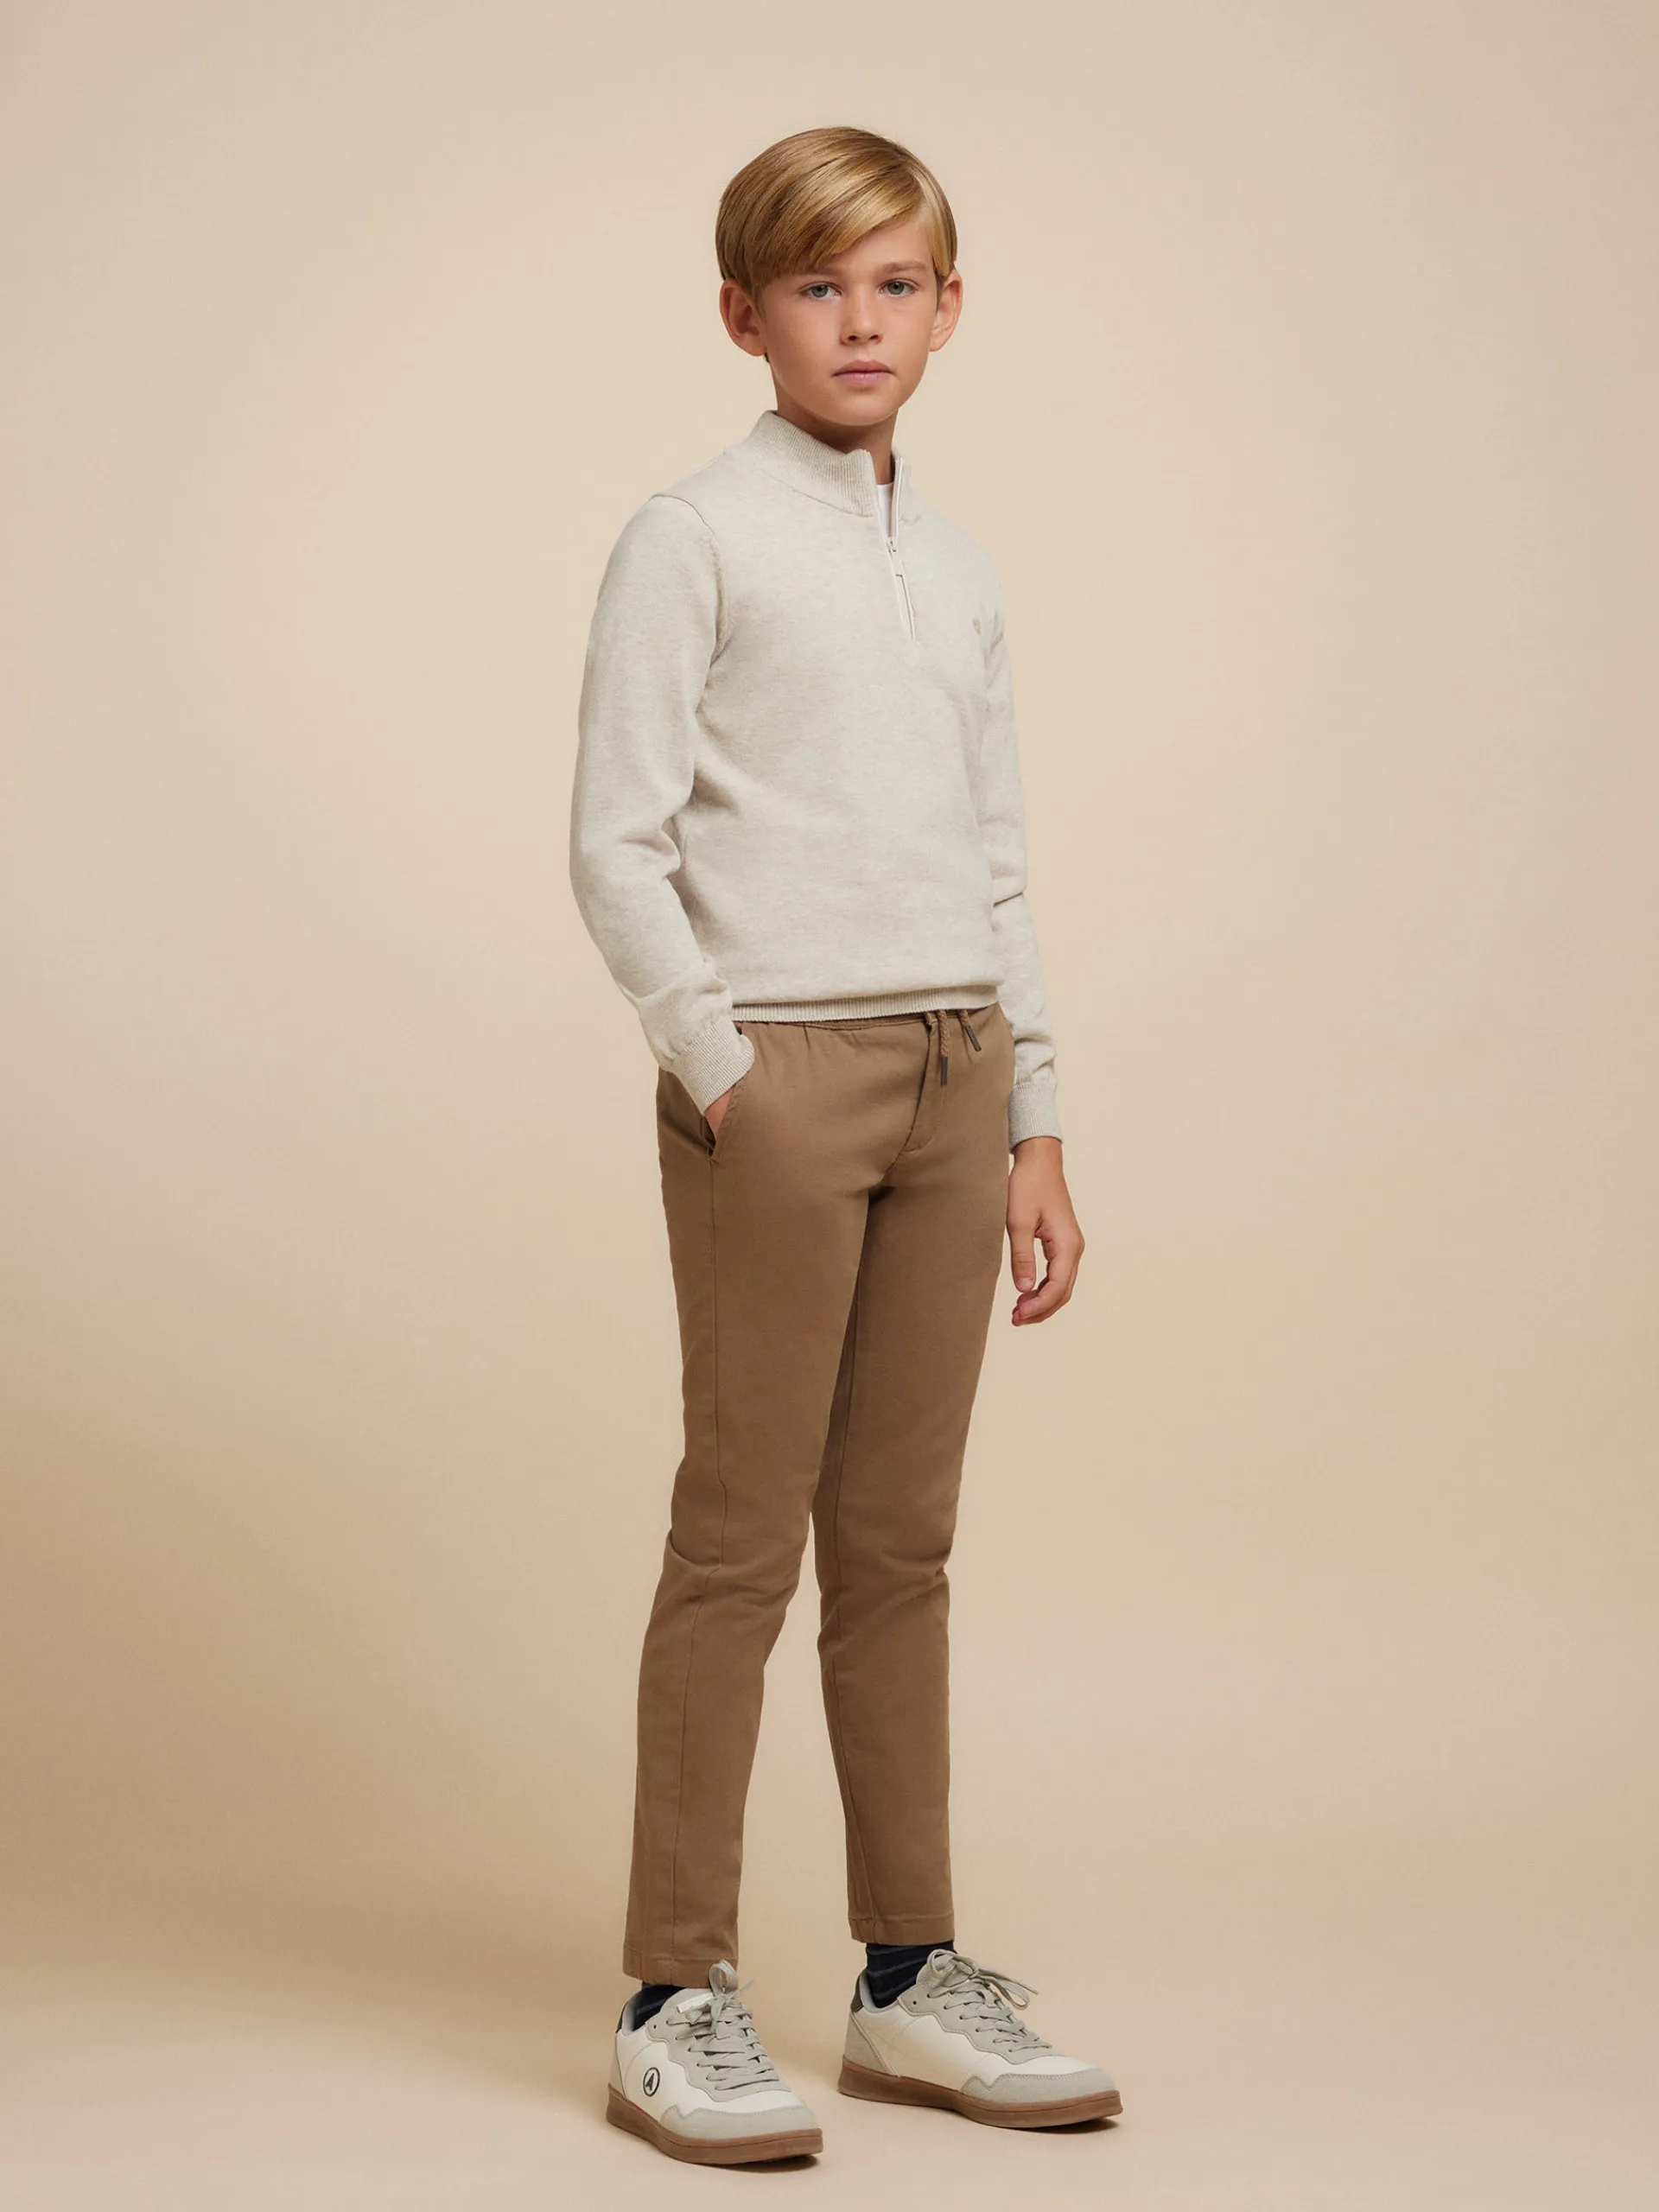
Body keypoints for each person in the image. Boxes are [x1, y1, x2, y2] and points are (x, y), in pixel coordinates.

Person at [570, 124, 1120, 2167]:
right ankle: (673, 1991)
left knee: (901, 1544)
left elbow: (996, 857)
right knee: (742, 1536)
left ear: (950, 309)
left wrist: (1035, 1109)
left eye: (896, 284)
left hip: (959, 1076)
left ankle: (907, 1974)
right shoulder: (690, 536)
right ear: (746, 315)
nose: (860, 321)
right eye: (818, 286)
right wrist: (724, 1066)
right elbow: (615, 841)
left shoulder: (956, 567)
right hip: (781, 1078)